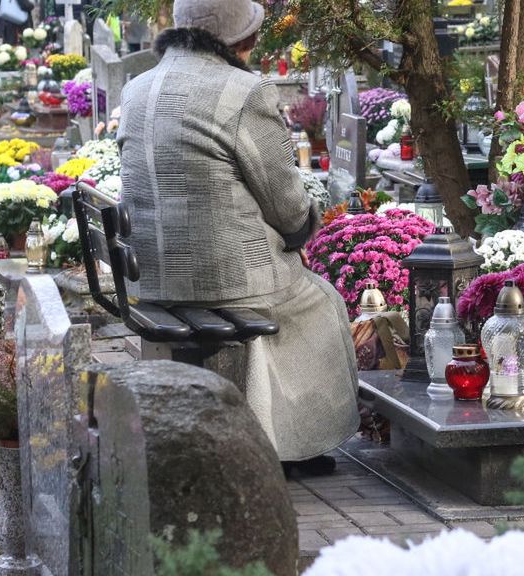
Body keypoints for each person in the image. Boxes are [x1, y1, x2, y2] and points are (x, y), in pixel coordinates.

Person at [118, 0, 360, 477]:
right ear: (242, 40)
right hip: (227, 280)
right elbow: (284, 199)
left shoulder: (137, 87)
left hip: (149, 280)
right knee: (321, 301)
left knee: (295, 288)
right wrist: (301, 233)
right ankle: (290, 444)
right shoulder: (245, 92)